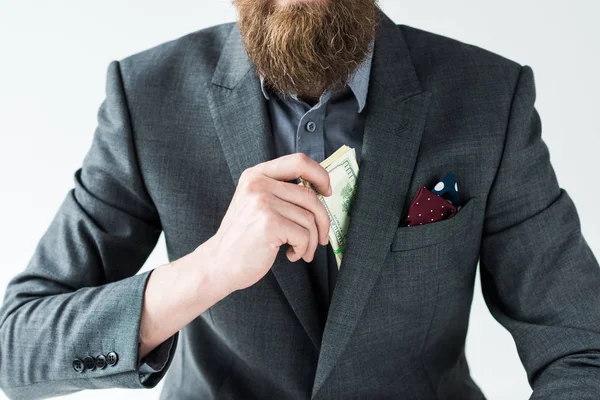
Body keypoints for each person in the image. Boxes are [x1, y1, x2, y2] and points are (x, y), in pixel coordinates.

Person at [1, 0, 599, 398]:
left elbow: (581, 346)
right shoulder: (146, 99)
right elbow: (17, 348)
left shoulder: (491, 97)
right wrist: (208, 270)